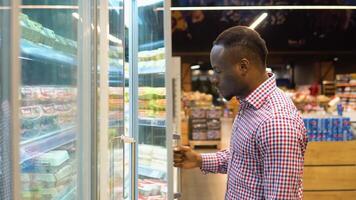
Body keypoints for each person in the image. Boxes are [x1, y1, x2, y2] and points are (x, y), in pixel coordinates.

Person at [174, 26, 308, 199]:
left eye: (218, 71)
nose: (214, 79)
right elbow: (243, 159)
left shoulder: (276, 124)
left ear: (243, 66)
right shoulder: (249, 105)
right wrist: (199, 160)